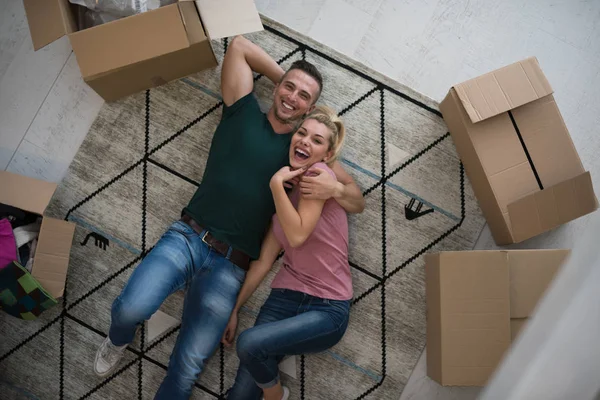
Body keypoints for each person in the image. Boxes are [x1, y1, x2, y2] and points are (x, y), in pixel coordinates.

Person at [93, 35, 365, 400]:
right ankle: (118, 339)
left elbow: (356, 198)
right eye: (289, 88)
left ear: (312, 112)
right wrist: (291, 87)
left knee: (188, 366)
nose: (292, 97)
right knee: (131, 307)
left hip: (231, 267)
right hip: (188, 237)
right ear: (278, 85)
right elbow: (238, 46)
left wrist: (332, 188)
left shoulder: (304, 152)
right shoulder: (241, 109)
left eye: (305, 97)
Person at [224, 106, 353, 400]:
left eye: (317, 140)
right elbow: (264, 261)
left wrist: (275, 186)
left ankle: (275, 396)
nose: (305, 141)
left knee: (249, 345)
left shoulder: (320, 177)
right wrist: (234, 309)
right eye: (302, 133)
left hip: (327, 307)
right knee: (240, 394)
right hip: (283, 299)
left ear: (327, 154)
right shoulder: (285, 197)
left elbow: (297, 235)